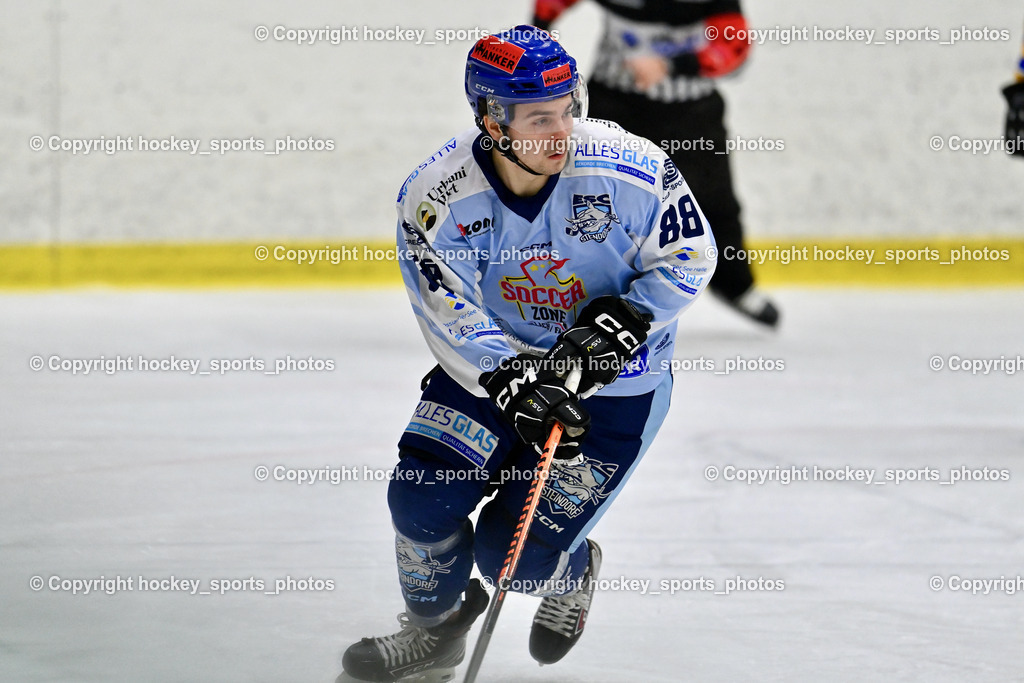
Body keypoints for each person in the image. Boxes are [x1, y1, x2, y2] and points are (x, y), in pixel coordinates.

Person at [339, 25, 716, 682]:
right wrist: (511, 379)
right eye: (540, 117)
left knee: (515, 561)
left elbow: (692, 252)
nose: (561, 130)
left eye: (569, 107)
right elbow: (448, 308)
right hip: (494, 375)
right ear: (490, 118)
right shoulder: (438, 196)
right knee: (421, 501)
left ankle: (571, 572)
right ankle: (434, 636)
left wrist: (627, 319)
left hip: (614, 393)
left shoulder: (632, 169)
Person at [533, 0, 780, 327]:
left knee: (715, 200)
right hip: (616, 100)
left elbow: (734, 47)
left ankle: (735, 284)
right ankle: (573, 281)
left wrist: (671, 66)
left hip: (690, 110)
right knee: (584, 191)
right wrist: (539, 33)